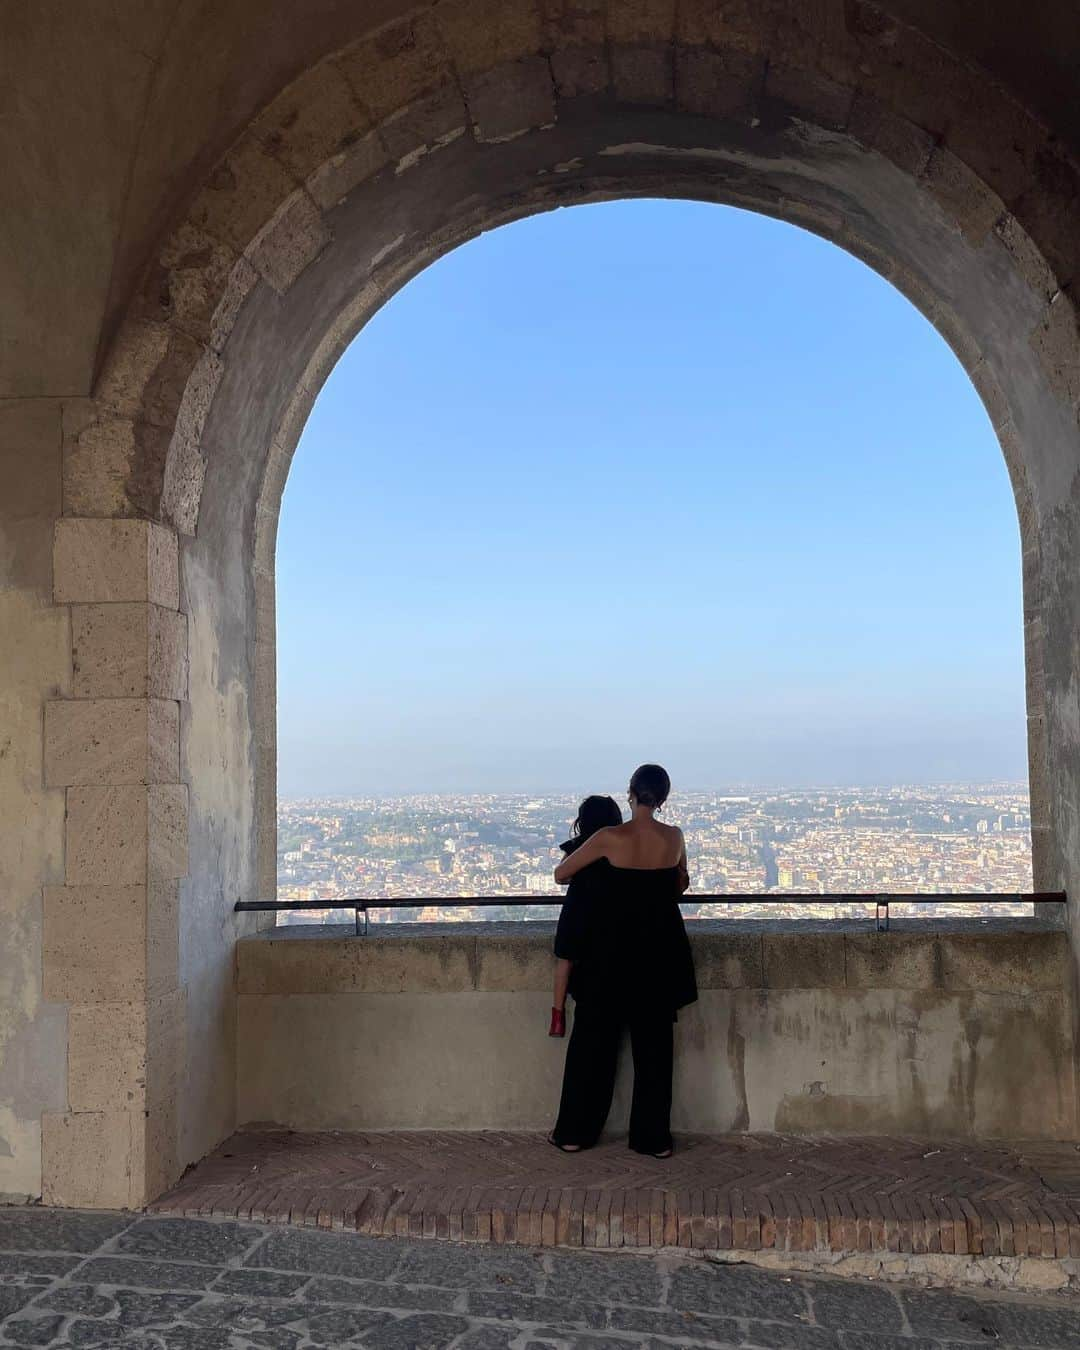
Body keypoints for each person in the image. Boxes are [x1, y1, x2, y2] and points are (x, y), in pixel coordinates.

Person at [548, 764, 697, 1159]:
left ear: (630, 793)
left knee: (592, 1049)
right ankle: (653, 1139)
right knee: (654, 1053)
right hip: (658, 955)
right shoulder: (674, 837)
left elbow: (562, 874)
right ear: (663, 798)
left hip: (610, 958)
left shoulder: (609, 838)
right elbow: (680, 884)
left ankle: (575, 1133)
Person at [549, 794, 624, 1037]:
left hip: (577, 907)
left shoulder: (579, 846)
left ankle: (557, 1015)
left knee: (565, 958)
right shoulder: (619, 845)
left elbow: (561, 875)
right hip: (606, 912)